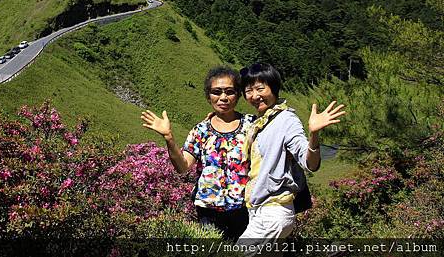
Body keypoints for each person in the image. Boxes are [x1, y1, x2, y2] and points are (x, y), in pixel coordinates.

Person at [236, 62, 345, 247]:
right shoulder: (259, 123)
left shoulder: (286, 120)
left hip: (274, 211)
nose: (255, 96)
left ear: (274, 88)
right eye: (248, 91)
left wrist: (314, 134)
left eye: (260, 88)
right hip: (257, 211)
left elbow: (309, 162)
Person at [140, 66, 253, 241]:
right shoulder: (200, 131)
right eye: (216, 92)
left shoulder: (251, 125)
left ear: (238, 94)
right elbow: (183, 166)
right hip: (209, 211)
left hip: (244, 209)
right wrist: (169, 138)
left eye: (229, 91)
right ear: (209, 96)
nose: (223, 97)